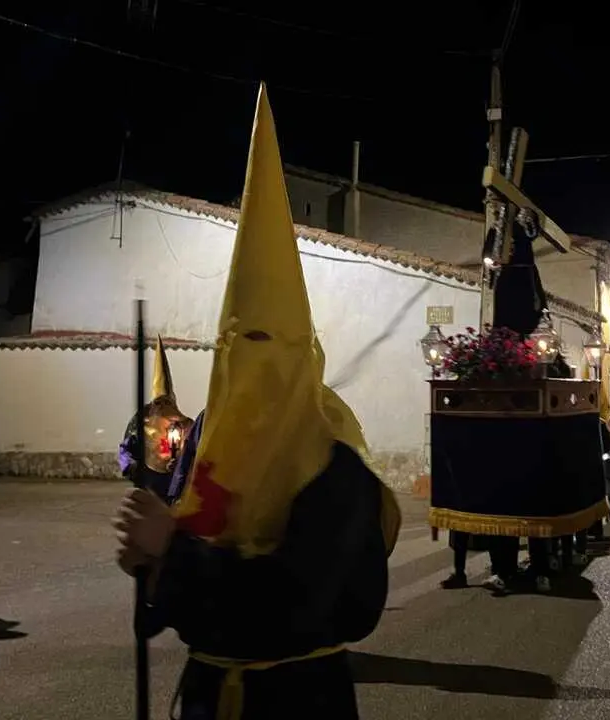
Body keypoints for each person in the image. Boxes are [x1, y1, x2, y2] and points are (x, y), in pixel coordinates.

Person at [112, 84, 401, 719]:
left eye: (268, 346)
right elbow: (176, 606)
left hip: (298, 701)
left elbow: (297, 604)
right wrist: (150, 568)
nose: (252, 364)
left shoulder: (335, 469)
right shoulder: (209, 447)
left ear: (305, 359)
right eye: (237, 345)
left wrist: (173, 552)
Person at [118, 336, 193, 503]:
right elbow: (126, 450)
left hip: (174, 483)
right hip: (149, 480)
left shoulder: (186, 426)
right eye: (159, 402)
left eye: (166, 402)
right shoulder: (141, 423)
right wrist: (131, 466)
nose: (162, 407)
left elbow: (196, 455)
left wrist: (183, 467)